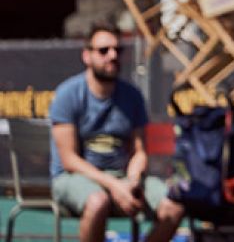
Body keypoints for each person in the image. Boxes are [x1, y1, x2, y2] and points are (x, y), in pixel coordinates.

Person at [48, 21, 185, 242]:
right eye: (104, 50)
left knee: (174, 204)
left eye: (117, 50)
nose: (112, 56)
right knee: (97, 201)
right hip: (74, 179)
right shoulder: (68, 94)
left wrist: (132, 181)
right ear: (87, 55)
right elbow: (69, 160)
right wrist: (114, 186)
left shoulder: (132, 96)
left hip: (122, 178)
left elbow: (139, 151)